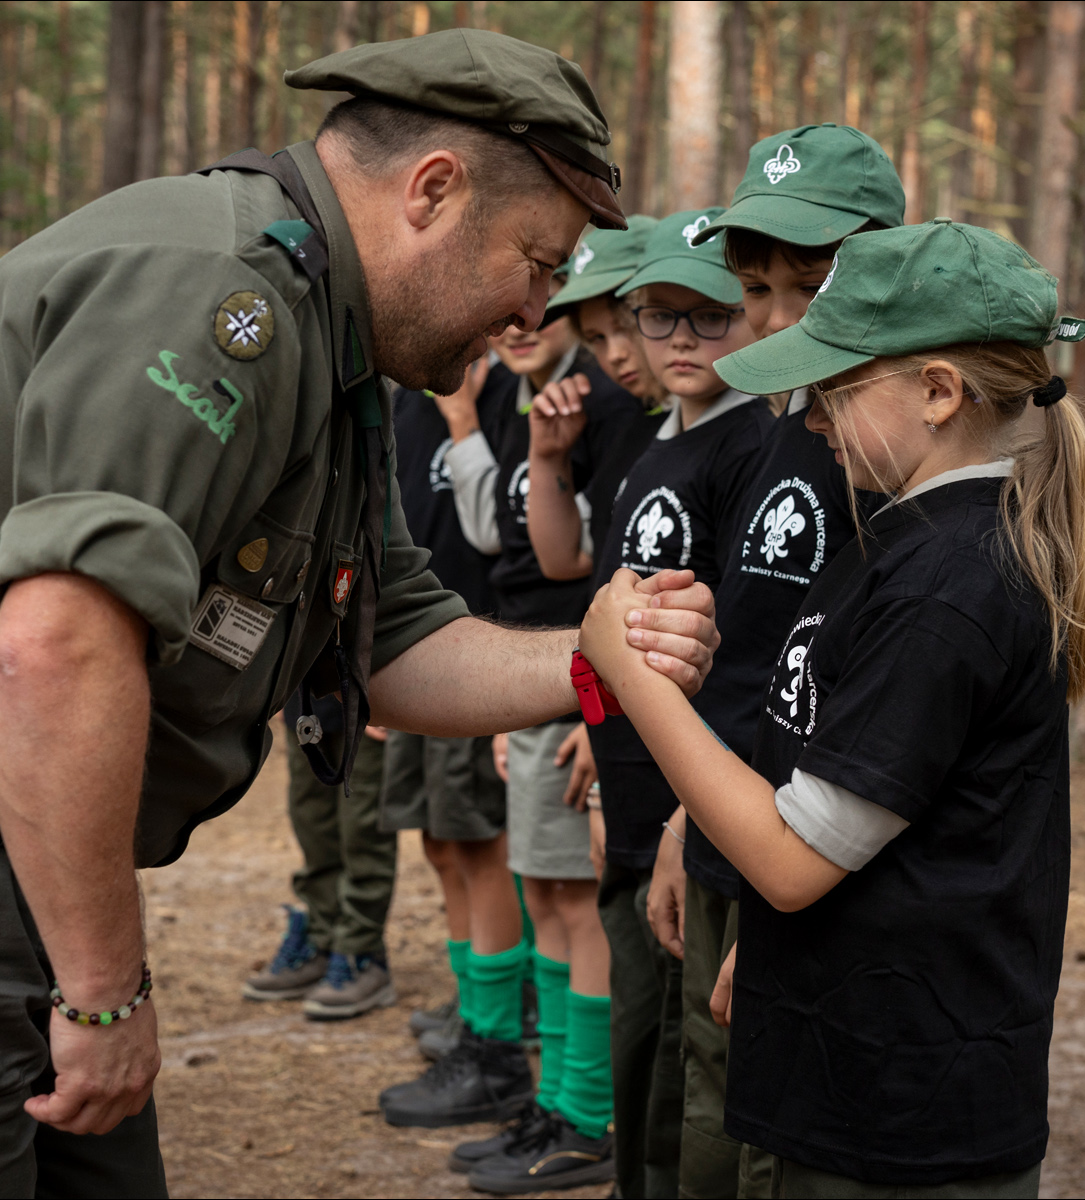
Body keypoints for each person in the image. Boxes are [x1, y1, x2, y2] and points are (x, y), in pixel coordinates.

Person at [0, 30, 722, 1198]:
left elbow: (391, 636)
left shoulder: (331, 348)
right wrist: (101, 992)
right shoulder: (222, 297)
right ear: (433, 191)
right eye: (536, 260)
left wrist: (594, 656)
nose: (538, 306)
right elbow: (57, 646)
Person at [577, 220, 1085, 1200]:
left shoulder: (949, 587)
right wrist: (780, 961)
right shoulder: (897, 541)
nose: (807, 416)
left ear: (939, 392)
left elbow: (789, 860)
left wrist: (634, 679)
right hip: (849, 1058)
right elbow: (844, 802)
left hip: (902, 1120)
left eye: (835, 387)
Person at [653, 123, 905, 1199]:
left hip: (804, 866)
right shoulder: (764, 433)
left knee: (772, 1135)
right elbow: (752, 660)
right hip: (727, 829)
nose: (776, 316)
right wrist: (685, 822)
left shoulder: (883, 460)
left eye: (811, 284)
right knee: (706, 1101)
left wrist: (783, 912)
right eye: (756, 289)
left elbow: (868, 714)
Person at [377, 272, 639, 1143]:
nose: (529, 324)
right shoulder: (516, 403)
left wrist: (599, 706)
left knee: (540, 879)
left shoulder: (589, 405)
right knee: (471, 852)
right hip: (495, 665)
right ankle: (518, 1061)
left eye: (566, 313)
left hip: (527, 665)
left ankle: (543, 1081)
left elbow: (547, 556)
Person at [446, 218, 671, 1195]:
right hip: (560, 683)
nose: (621, 350)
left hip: (591, 702)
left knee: (577, 904)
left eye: (625, 326)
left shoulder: (637, 420)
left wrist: (592, 708)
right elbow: (569, 557)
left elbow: (614, 591)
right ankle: (558, 1100)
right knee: (547, 893)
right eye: (608, 329)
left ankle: (584, 1113)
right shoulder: (583, 414)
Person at [556, 209, 773, 1200]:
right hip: (631, 790)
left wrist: (688, 809)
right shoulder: (651, 448)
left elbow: (742, 658)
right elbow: (606, 619)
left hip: (693, 805)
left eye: (708, 316)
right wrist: (601, 750)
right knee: (640, 1040)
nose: (681, 339)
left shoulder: (753, 450)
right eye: (658, 316)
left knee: (684, 1065)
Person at [377, 369, 518, 1056]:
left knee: (479, 842)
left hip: (478, 654)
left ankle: (494, 1026)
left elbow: (500, 537)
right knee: (438, 841)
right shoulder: (406, 400)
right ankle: (471, 1000)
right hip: (415, 654)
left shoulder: (508, 397)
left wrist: (464, 422)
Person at [240, 694, 397, 1022]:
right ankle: (321, 941)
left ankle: (362, 952)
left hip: (368, 698)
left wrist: (388, 703)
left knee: (362, 831)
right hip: (305, 700)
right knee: (313, 825)